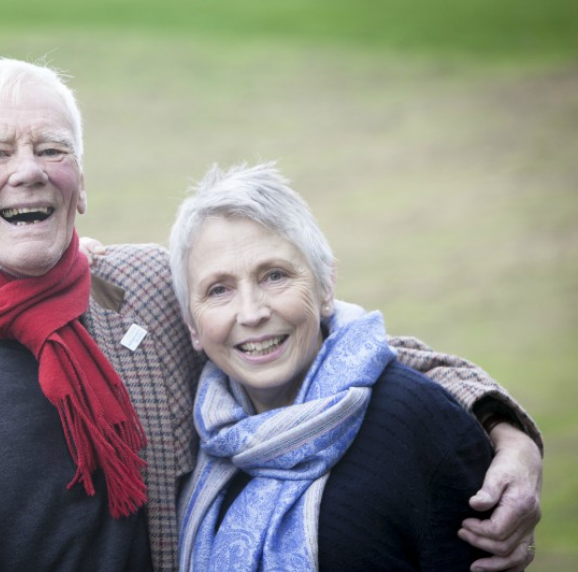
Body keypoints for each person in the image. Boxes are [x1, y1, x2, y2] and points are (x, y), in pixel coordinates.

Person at [0, 57, 541, 572]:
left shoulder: (145, 287)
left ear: (80, 181)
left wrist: (504, 432)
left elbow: (340, 345)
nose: (28, 170)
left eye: (52, 148)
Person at [170, 162, 538, 571]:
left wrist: (509, 432)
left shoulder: (421, 425)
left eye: (274, 276)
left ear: (326, 287)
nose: (252, 312)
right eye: (218, 290)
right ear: (192, 326)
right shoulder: (193, 433)